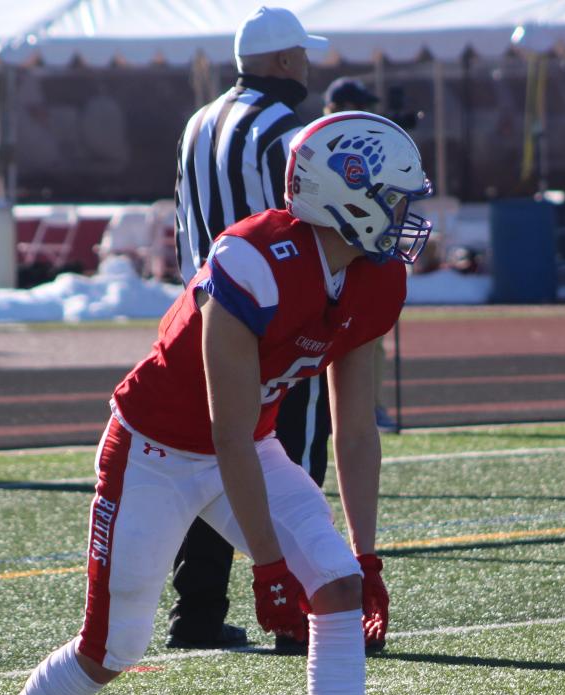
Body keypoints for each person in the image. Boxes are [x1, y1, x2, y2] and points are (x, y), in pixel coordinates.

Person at [0, 111, 434, 695]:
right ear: (348, 196)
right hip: (153, 452)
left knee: (338, 585)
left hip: (243, 447)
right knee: (111, 647)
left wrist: (366, 552)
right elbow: (221, 425)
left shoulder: (375, 280)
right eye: (397, 197)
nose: (409, 217)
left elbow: (356, 424)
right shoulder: (252, 260)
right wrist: (270, 567)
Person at [167, 5, 329, 652]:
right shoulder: (285, 128)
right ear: (286, 61)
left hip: (205, 312)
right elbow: (310, 219)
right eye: (303, 57)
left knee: (213, 459)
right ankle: (296, 608)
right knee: (292, 462)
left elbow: (182, 223)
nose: (308, 67)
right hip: (277, 318)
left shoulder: (196, 122)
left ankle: (196, 614)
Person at [323, 76, 399, 434]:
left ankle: (370, 406)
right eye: (361, 105)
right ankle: (336, 409)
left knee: (371, 335)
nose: (369, 113)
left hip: (365, 250)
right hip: (333, 250)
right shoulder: (323, 145)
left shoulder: (369, 142)